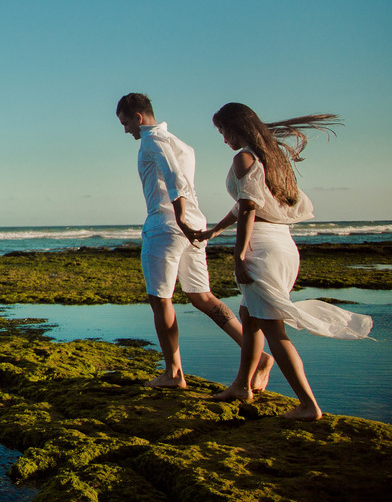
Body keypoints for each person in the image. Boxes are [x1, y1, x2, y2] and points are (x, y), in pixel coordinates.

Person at [192, 103, 372, 420]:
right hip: (283, 246)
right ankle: (241, 386)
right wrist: (214, 231)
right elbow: (246, 206)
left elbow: (248, 207)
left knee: (274, 330)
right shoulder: (272, 158)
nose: (223, 139)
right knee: (249, 318)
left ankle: (308, 404)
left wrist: (240, 256)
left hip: (260, 249)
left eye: (222, 131)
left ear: (237, 127)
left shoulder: (244, 157)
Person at [116, 93, 274, 389]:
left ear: (138, 117)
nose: (126, 130)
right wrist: (190, 223)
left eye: (126, 123)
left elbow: (174, 177)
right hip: (194, 225)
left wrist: (180, 218)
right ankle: (258, 355)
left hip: (166, 226)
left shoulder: (152, 141)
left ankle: (174, 373)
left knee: (160, 299)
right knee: (201, 295)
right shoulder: (183, 145)